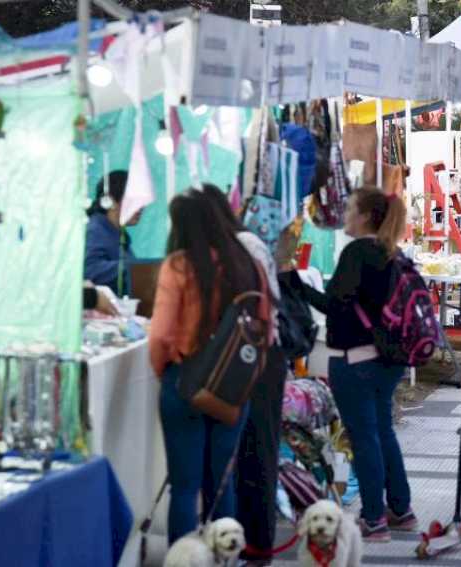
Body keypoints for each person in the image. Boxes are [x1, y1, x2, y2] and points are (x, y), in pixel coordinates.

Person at [149, 189, 267, 544]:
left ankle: (184, 558)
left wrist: (166, 374)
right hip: (232, 388)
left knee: (184, 487)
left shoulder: (178, 265)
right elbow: (265, 329)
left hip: (184, 382)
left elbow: (160, 336)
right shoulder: (248, 263)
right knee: (222, 482)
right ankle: (224, 557)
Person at [303, 188, 415, 542]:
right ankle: (400, 509)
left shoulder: (357, 253)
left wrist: (294, 284)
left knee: (365, 437)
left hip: (358, 361)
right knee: (382, 431)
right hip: (389, 360)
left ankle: (374, 519)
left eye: (350, 208)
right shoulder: (392, 254)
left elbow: (336, 307)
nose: (344, 214)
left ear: (365, 215)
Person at [200, 185, 286, 565]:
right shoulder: (247, 243)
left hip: (254, 357)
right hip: (255, 356)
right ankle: (249, 545)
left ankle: (255, 546)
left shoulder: (240, 247)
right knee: (251, 451)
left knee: (253, 451)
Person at [85, 170, 141, 296]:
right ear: (110, 200)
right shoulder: (95, 230)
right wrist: (136, 269)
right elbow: (89, 270)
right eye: (133, 201)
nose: (140, 207)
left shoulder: (118, 234)